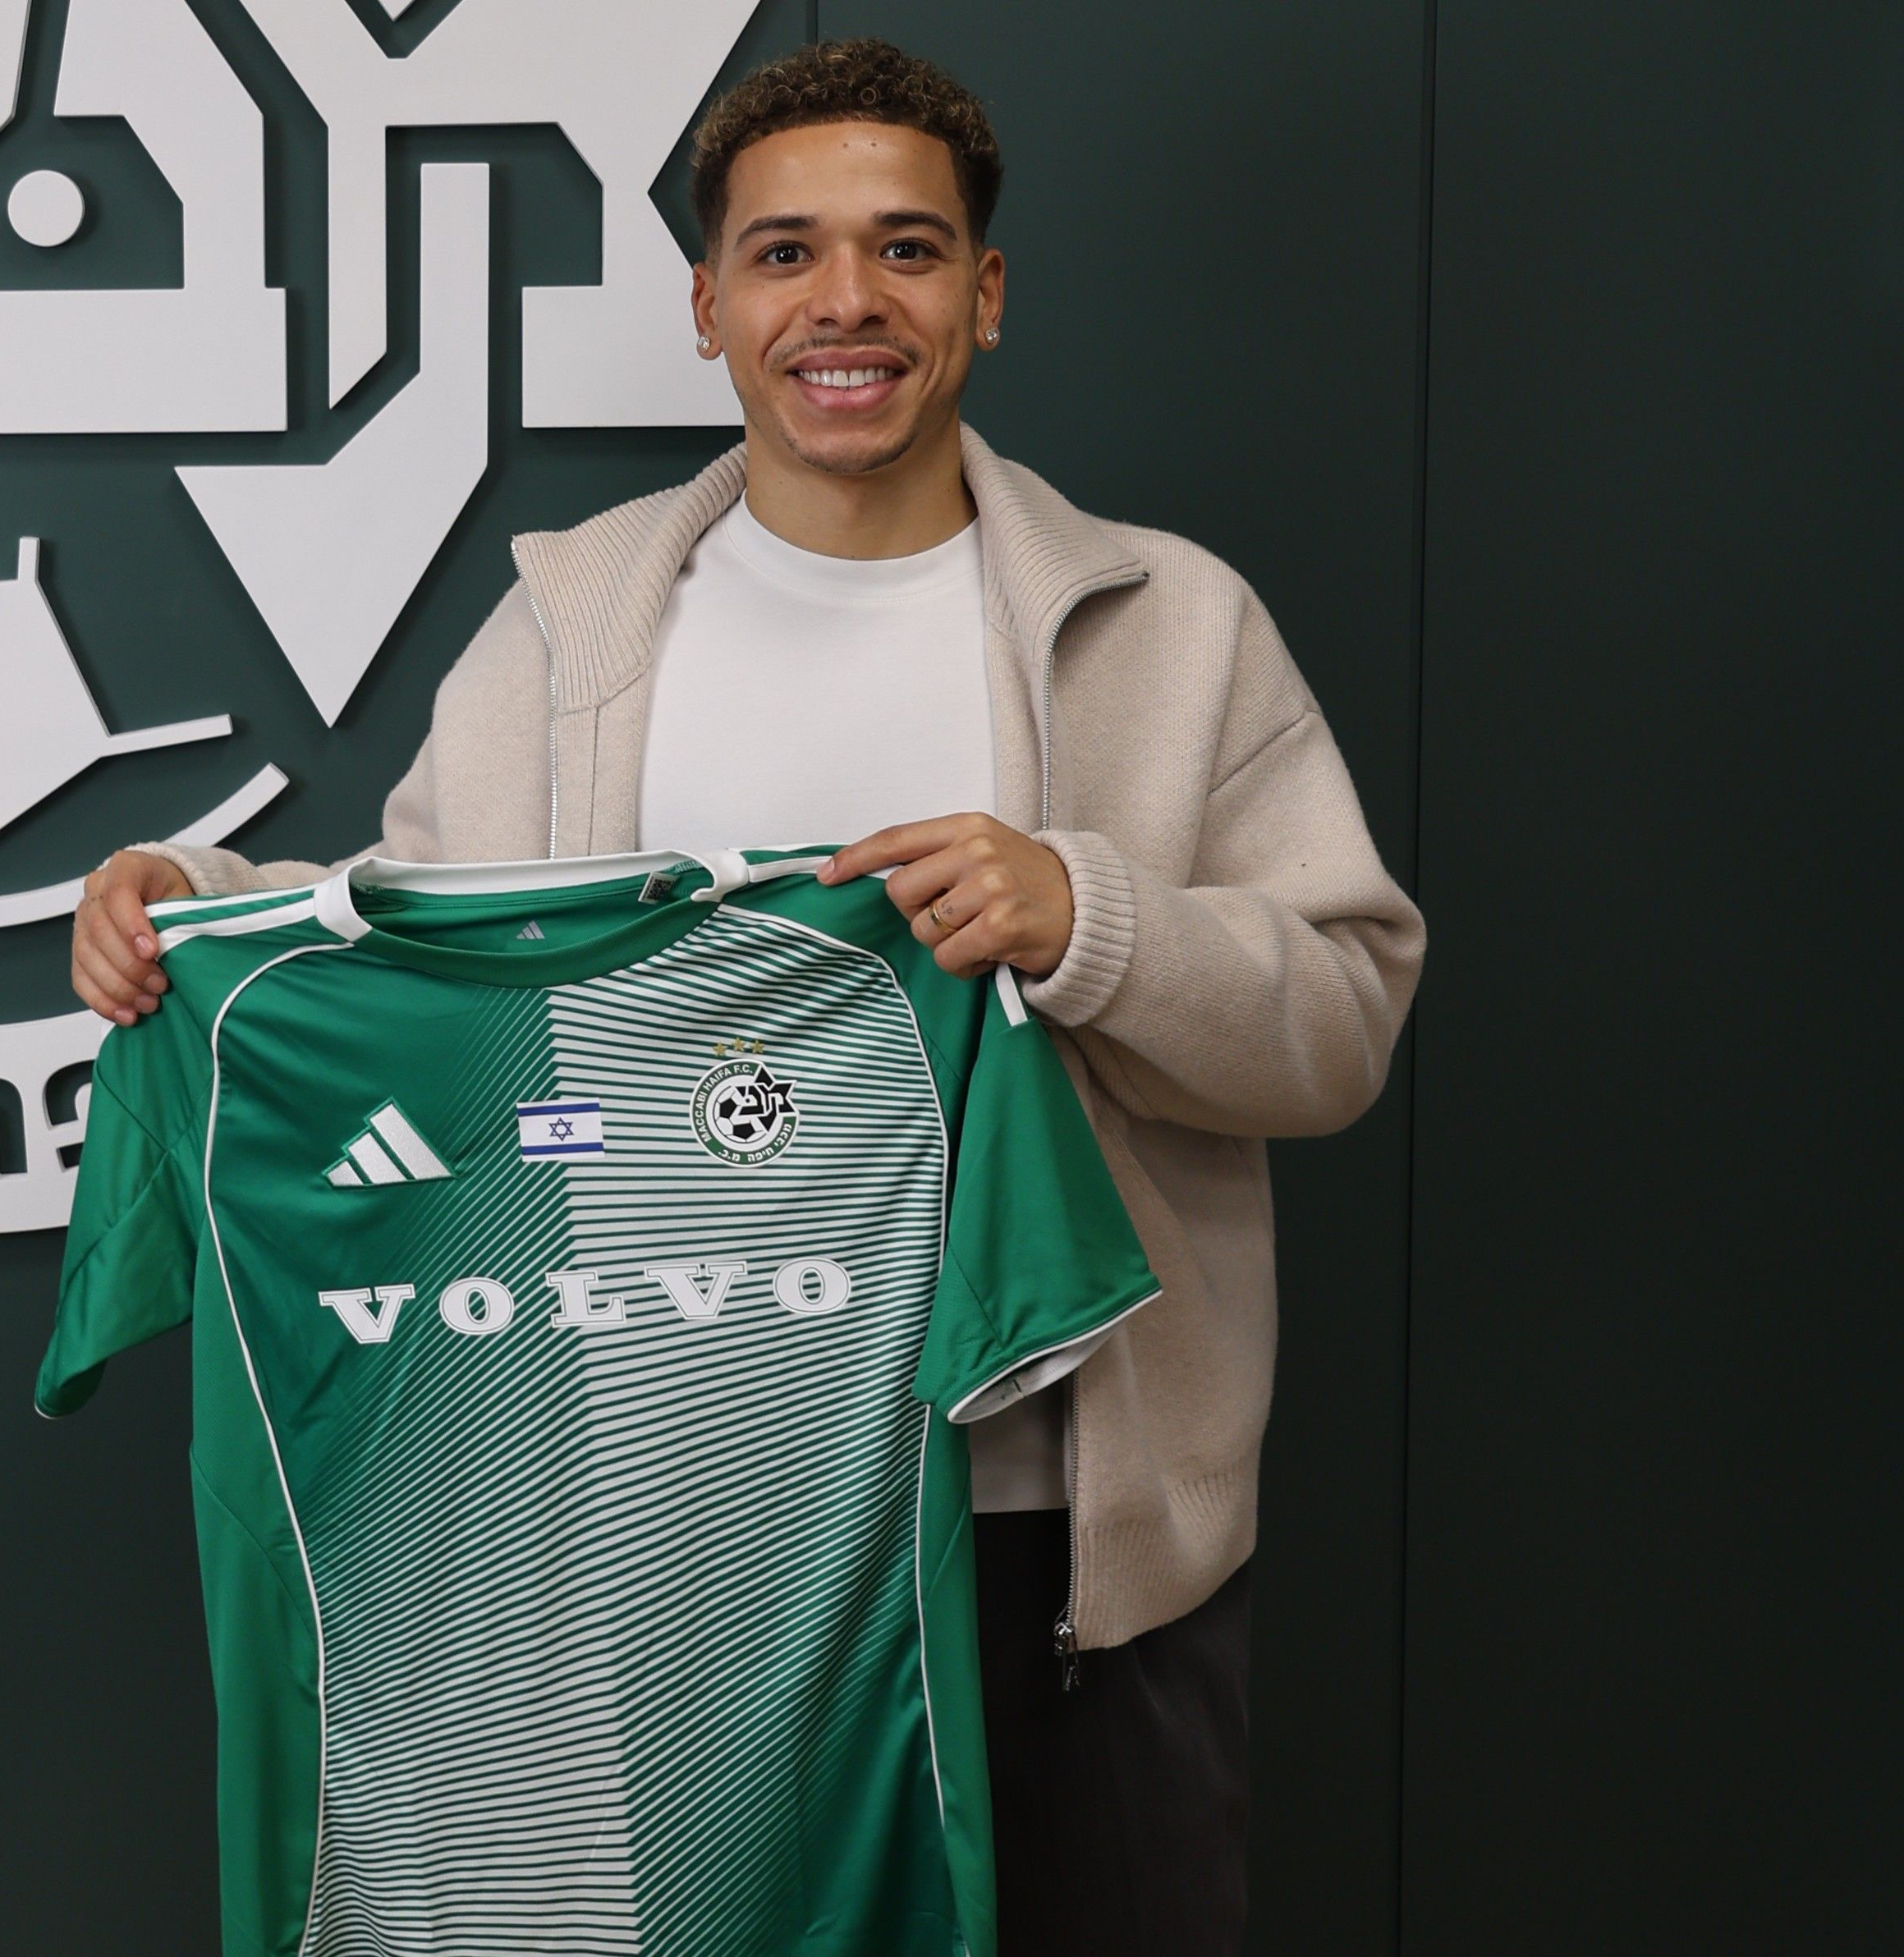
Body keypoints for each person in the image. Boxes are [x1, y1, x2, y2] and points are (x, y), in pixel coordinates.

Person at [69, 39, 1422, 1955]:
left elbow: (1343, 1019)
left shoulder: (1167, 621)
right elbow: (431, 939)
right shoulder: (572, 625)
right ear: (708, 305)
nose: (844, 301)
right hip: (681, 1510)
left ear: (986, 292)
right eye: (785, 253)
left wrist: (1087, 918)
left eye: (905, 249)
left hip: (1058, 1537)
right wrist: (197, 911)